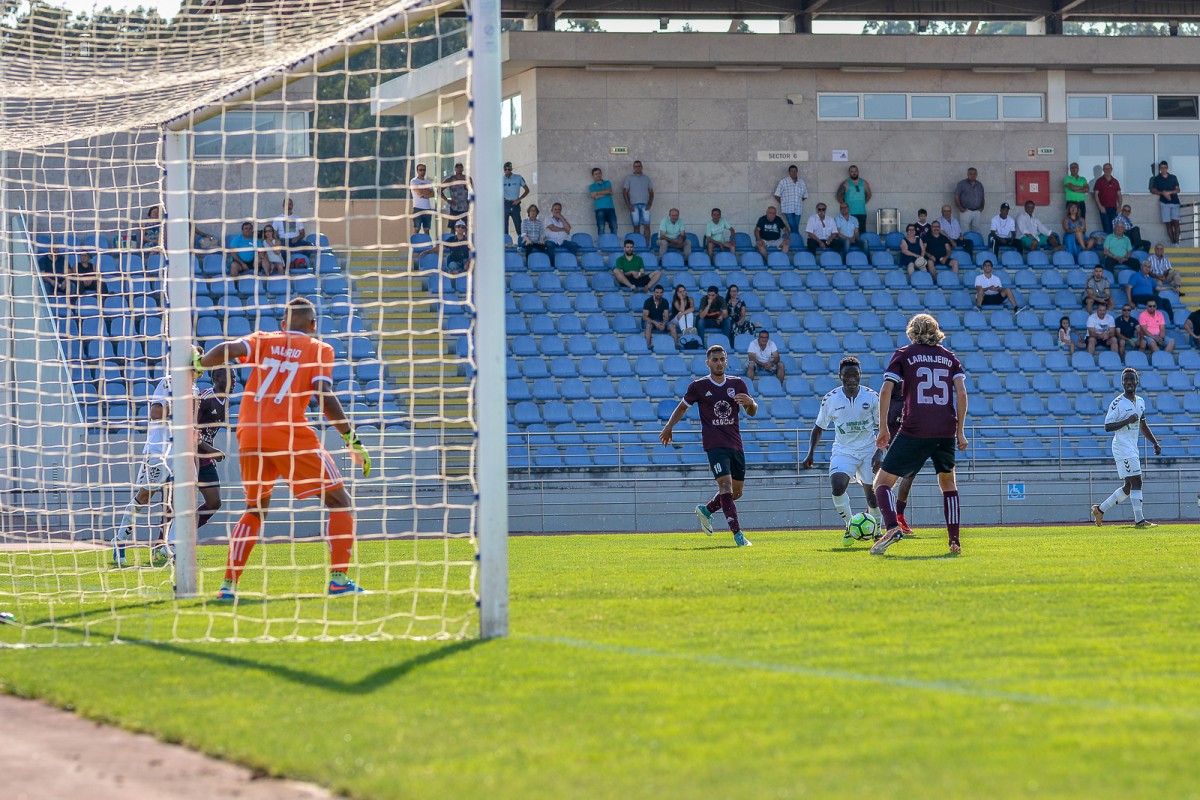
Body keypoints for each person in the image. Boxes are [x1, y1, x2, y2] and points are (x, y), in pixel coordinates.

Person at [199, 297, 372, 600]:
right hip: (290, 434)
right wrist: (351, 439)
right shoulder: (319, 349)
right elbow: (324, 394)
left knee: (255, 510)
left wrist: (199, 362)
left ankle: (228, 587)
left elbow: (228, 349)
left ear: (283, 324)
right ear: (314, 325)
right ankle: (339, 580)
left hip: (249, 434)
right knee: (340, 501)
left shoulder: (264, 340)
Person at [870, 314, 969, 556]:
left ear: (912, 331)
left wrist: (883, 427)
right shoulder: (949, 358)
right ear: (936, 331)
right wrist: (960, 431)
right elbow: (962, 393)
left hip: (916, 427)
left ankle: (892, 527)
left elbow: (886, 390)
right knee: (948, 484)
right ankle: (954, 541)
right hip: (945, 428)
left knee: (881, 483)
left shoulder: (904, 353)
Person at [112, 347, 204, 567]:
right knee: (145, 497)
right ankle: (120, 540)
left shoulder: (194, 389)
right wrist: (179, 407)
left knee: (186, 497)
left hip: (181, 451)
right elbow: (154, 413)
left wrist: (194, 434)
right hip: (159, 451)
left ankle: (168, 544)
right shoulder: (168, 383)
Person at [660, 344, 758, 548]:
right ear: (708, 363)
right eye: (715, 360)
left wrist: (750, 402)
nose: (719, 363)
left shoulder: (738, 383)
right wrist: (669, 427)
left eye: (722, 359)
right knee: (725, 486)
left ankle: (706, 511)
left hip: (735, 444)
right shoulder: (699, 386)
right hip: (714, 444)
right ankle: (738, 536)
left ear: (726, 361)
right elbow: (682, 407)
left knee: (736, 493)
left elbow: (751, 412)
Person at [801, 357, 883, 545]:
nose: (852, 379)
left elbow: (882, 427)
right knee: (837, 486)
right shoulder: (831, 399)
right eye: (847, 375)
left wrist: (880, 451)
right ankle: (849, 526)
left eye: (855, 375)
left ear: (860, 375)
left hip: (868, 450)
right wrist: (810, 452)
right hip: (844, 450)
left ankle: (877, 531)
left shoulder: (872, 397)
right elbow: (819, 427)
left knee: (873, 496)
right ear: (840, 376)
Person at [1091, 368, 1161, 528]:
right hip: (1122, 447)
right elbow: (1107, 426)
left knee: (1129, 486)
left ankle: (1100, 510)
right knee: (1137, 481)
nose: (1129, 382)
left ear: (1137, 382)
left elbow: (1143, 426)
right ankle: (1140, 520)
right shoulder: (1117, 403)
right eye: (1126, 380)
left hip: (1132, 447)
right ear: (1122, 383)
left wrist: (1154, 442)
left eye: (1131, 379)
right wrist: (1127, 420)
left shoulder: (1141, 402)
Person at [621, 160, 654, 242]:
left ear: (642, 167)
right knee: (636, 226)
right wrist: (628, 205)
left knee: (647, 225)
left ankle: (646, 246)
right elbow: (625, 192)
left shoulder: (646, 178)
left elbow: (651, 192)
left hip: (645, 205)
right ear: (633, 167)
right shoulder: (629, 178)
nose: (637, 168)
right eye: (636, 166)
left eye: (639, 166)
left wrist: (650, 203)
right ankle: (638, 246)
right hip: (633, 205)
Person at [1150, 160, 1182, 245]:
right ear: (1160, 169)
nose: (1163, 169)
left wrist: (1169, 192)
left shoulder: (1173, 177)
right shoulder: (1157, 179)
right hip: (1164, 203)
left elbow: (1178, 190)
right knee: (1168, 223)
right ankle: (1173, 243)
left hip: (1175, 202)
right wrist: (1163, 193)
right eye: (1161, 168)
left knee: (1176, 222)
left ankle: (1177, 242)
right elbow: (1153, 190)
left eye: (1165, 167)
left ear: (1167, 168)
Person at [836, 165, 872, 233]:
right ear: (849, 173)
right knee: (850, 232)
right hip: (850, 213)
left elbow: (869, 194)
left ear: (858, 172)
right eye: (852, 171)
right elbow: (838, 196)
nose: (854, 173)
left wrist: (863, 203)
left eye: (855, 171)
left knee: (862, 232)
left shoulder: (864, 183)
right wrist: (844, 206)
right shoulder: (846, 183)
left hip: (862, 212)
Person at [642, 283, 678, 350]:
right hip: (650, 321)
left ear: (663, 293)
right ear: (654, 292)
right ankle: (649, 345)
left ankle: (676, 345)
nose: (659, 294)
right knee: (648, 326)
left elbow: (666, 316)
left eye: (660, 292)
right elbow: (645, 317)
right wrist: (655, 323)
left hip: (661, 320)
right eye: (657, 292)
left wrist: (664, 324)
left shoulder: (665, 301)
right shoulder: (648, 301)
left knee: (672, 326)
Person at [774, 164, 808, 233]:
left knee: (796, 226)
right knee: (792, 225)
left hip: (798, 208)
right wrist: (784, 203)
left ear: (797, 172)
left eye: (795, 171)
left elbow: (805, 195)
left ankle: (793, 241)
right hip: (788, 208)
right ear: (789, 172)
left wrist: (798, 201)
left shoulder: (802, 182)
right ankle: (796, 240)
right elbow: (777, 195)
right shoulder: (783, 182)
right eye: (792, 171)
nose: (793, 173)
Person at [953, 167, 986, 233]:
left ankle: (976, 243)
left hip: (977, 211)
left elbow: (982, 197)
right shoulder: (962, 184)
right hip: (966, 211)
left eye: (974, 174)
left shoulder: (979, 185)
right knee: (964, 230)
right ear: (967, 174)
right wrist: (960, 208)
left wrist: (982, 207)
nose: (972, 175)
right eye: (970, 173)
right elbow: (956, 196)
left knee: (977, 230)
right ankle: (965, 243)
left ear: (976, 175)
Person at [502, 161, 530, 238]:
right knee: (504, 225)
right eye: (506, 169)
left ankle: (522, 242)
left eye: (509, 169)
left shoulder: (518, 177)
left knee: (518, 225)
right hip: (506, 204)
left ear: (511, 169)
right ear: (503, 170)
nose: (507, 171)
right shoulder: (501, 179)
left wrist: (519, 199)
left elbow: (527, 190)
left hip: (515, 204)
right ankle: (506, 244)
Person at [1093, 163, 1122, 235]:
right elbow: (1096, 195)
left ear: (1111, 169)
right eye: (1105, 168)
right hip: (1104, 208)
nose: (1107, 170)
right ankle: (1108, 245)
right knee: (1107, 228)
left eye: (1109, 168)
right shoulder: (1099, 181)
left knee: (1115, 227)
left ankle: (1114, 245)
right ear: (1103, 170)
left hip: (1114, 208)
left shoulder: (1115, 181)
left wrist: (1119, 207)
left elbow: (1119, 195)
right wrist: (1100, 207)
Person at [440, 162, 471, 228]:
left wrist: (470, 201)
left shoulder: (467, 179)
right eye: (457, 167)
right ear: (455, 169)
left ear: (463, 169)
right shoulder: (450, 179)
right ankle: (453, 238)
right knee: (453, 228)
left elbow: (472, 191)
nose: (459, 169)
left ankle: (465, 238)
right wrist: (447, 200)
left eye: (460, 167)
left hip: (465, 208)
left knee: (465, 228)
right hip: (454, 208)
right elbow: (439, 190)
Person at [588, 167, 617, 235]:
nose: (598, 175)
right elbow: (593, 195)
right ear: (593, 176)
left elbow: (609, 191)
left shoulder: (607, 182)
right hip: (599, 209)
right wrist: (606, 192)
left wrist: (597, 194)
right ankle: (601, 245)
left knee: (614, 227)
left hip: (610, 208)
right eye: (595, 174)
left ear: (601, 174)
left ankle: (614, 244)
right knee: (601, 228)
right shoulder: (591, 186)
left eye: (599, 173)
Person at [409, 164, 434, 237]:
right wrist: (426, 192)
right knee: (416, 229)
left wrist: (423, 193)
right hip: (418, 208)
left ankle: (428, 246)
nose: (422, 171)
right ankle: (414, 246)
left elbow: (432, 194)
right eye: (420, 170)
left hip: (427, 208)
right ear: (417, 171)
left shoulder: (428, 182)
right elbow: (419, 193)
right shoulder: (414, 181)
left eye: (424, 170)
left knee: (426, 230)